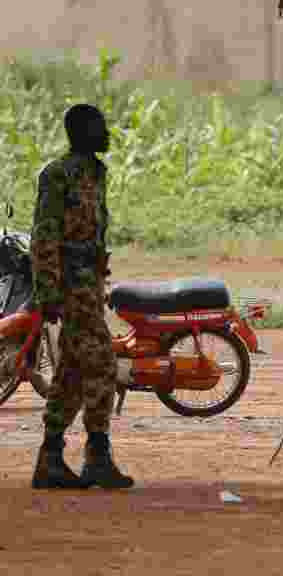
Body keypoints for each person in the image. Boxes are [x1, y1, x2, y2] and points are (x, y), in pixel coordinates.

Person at [30, 104, 134, 490]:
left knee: (72, 370)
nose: (106, 132)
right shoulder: (57, 176)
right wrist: (48, 291)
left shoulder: (97, 173)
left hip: (90, 284)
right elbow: (45, 236)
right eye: (99, 126)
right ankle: (98, 454)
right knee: (104, 363)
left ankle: (51, 458)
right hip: (70, 285)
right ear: (81, 132)